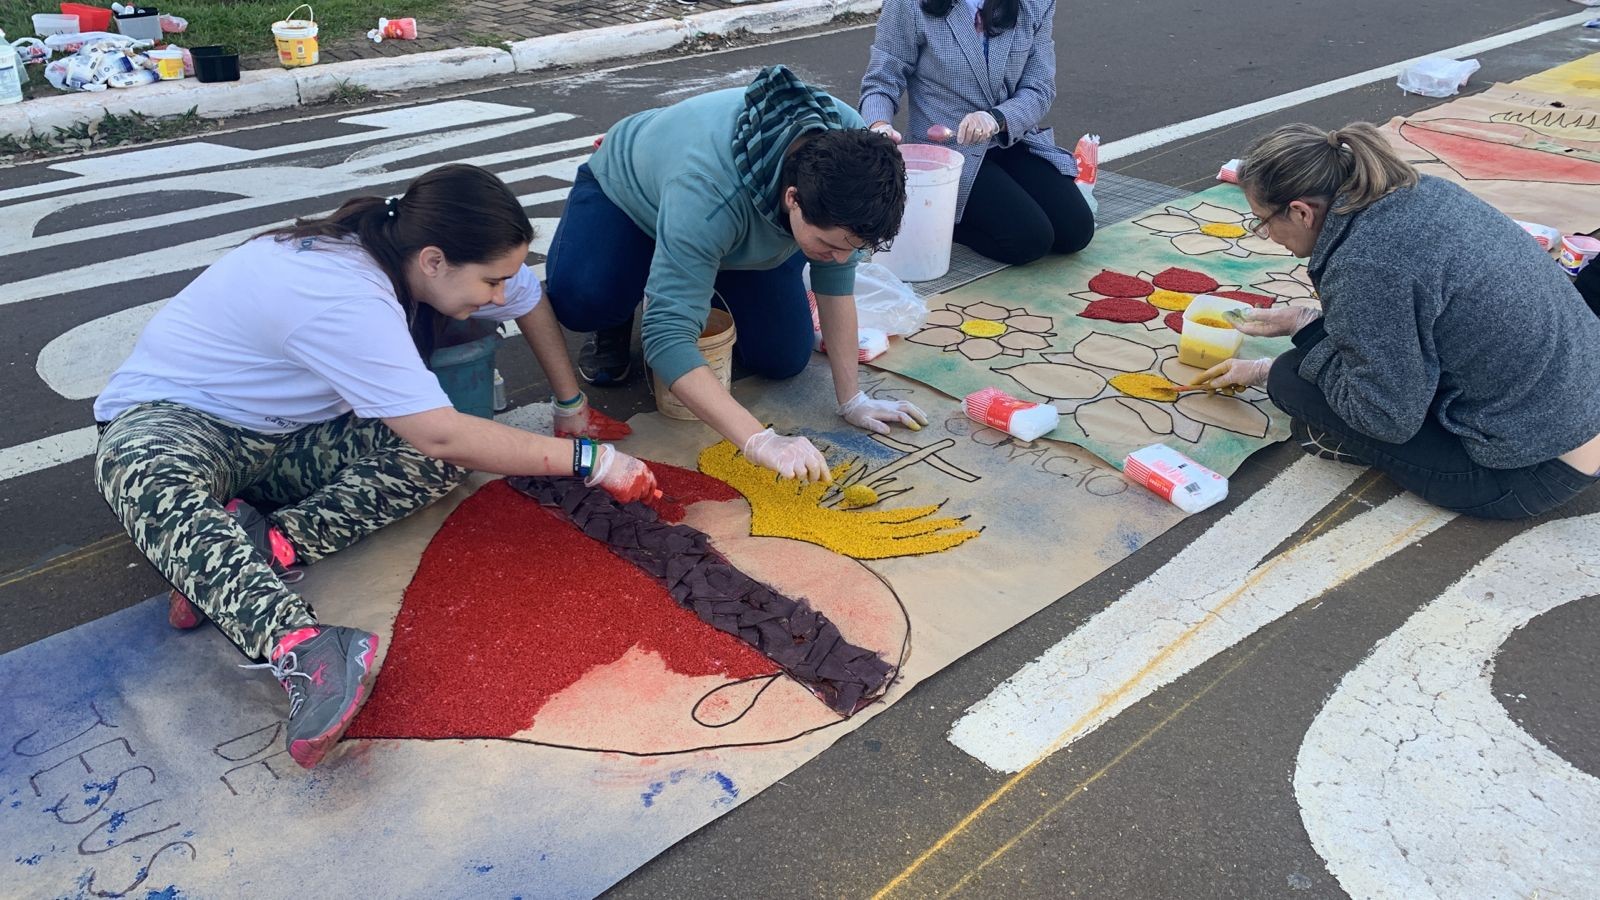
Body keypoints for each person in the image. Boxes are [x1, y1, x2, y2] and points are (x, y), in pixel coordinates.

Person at [93, 164, 659, 769]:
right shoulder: (338, 291)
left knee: (441, 457)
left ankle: (266, 545)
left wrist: (570, 404)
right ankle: (305, 647)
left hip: (285, 440)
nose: (498, 297)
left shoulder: (405, 253)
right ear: (435, 260)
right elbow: (442, 433)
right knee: (143, 473)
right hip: (182, 425)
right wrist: (590, 460)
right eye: (490, 281)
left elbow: (527, 301)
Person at [1191, 122, 1600, 519]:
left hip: (1528, 474)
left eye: (1262, 222)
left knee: (1290, 378)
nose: (1269, 236)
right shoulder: (1422, 190)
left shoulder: (1366, 263)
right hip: (1574, 413)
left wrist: (1290, 348)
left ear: (1300, 212)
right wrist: (1311, 323)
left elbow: (1386, 418)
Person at [547, 65, 928, 482]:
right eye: (831, 247)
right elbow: (666, 339)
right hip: (631, 196)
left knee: (781, 357)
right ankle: (623, 308)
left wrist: (852, 399)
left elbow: (835, 282)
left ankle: (697, 272)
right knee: (586, 296)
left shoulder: (853, 155)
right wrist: (759, 440)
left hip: (726, 227)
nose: (839, 259)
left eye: (851, 249)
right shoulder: (707, 192)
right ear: (793, 199)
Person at [859, 0, 1094, 266]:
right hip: (949, 151)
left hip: (1009, 137)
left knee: (1076, 231)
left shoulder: (1035, 3)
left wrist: (997, 118)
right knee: (1031, 240)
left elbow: (1039, 88)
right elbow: (882, 80)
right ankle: (940, 220)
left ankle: (955, 213)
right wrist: (879, 127)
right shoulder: (909, 4)